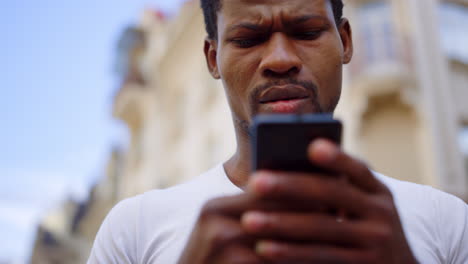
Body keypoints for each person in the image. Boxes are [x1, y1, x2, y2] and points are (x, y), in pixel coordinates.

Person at [88, 0, 468, 263]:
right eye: (249, 39)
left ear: (345, 42)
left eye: (306, 31)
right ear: (213, 58)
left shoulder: (446, 220)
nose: (281, 60)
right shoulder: (135, 228)